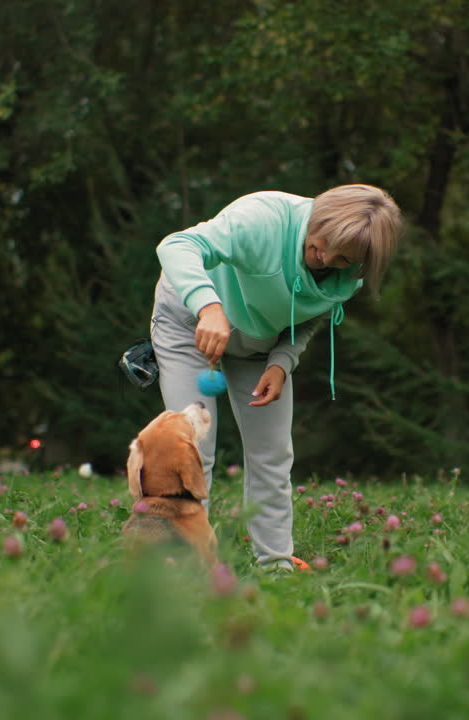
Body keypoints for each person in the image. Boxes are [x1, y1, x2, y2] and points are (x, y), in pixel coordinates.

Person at [149, 184, 402, 570]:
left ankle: (275, 562)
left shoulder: (347, 275)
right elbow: (177, 246)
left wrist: (282, 362)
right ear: (318, 215)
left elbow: (310, 318)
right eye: (321, 245)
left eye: (342, 258)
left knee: (273, 452)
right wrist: (209, 307)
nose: (324, 260)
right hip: (190, 321)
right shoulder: (262, 217)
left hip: (259, 346)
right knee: (194, 448)